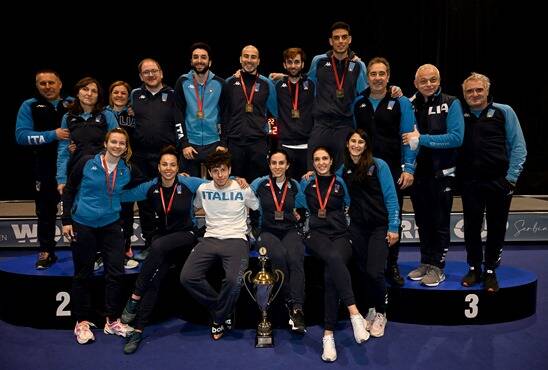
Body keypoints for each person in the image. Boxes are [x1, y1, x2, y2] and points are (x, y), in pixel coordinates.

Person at [118, 145, 206, 354]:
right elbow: (123, 196)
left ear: (178, 167)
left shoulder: (188, 183)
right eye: (164, 164)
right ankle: (138, 330)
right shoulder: (150, 187)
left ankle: (134, 298)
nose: (168, 168)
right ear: (158, 167)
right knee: (154, 281)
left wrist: (239, 180)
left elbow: (217, 183)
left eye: (172, 165)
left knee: (156, 246)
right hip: (163, 243)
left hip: (187, 236)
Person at [61, 128, 136, 345]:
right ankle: (81, 322)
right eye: (114, 142)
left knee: (116, 272)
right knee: (83, 274)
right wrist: (66, 220)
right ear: (106, 143)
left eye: (122, 143)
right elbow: (69, 190)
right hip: (83, 224)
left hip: (110, 225)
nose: (117, 146)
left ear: (125, 147)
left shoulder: (126, 170)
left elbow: (141, 188)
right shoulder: (86, 162)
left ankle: (112, 320)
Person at [458, 72, 527, 292]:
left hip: (499, 182)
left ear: (487, 91)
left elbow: (518, 147)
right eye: (470, 91)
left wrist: (511, 179)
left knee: (497, 228)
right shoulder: (459, 113)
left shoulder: (504, 111)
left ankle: (490, 270)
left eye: (479, 90)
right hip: (470, 183)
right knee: (471, 228)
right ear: (464, 94)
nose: (475, 94)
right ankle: (474, 268)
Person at [180, 150, 260, 340]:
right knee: (187, 277)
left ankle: (218, 319)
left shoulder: (242, 188)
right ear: (209, 173)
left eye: (223, 170)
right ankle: (222, 309)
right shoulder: (203, 190)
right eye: (215, 171)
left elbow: (257, 207)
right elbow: (194, 205)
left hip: (237, 238)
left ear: (229, 170)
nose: (220, 175)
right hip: (211, 237)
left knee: (234, 280)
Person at [300, 146, 369, 362]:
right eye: (317, 159)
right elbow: (300, 208)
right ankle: (355, 313)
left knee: (332, 272)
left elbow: (348, 205)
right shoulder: (305, 183)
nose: (321, 162)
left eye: (325, 159)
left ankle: (328, 336)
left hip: (340, 235)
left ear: (331, 161)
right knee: (333, 258)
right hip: (316, 235)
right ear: (313, 162)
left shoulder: (340, 182)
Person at [353, 57, 417, 286]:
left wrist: (409, 168)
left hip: (392, 171)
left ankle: (391, 264)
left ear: (388, 77)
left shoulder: (401, 102)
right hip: (363, 173)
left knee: (392, 218)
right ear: (367, 77)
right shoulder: (358, 102)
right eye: (373, 74)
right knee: (364, 218)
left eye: (382, 74)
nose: (377, 78)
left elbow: (410, 138)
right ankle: (366, 265)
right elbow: (354, 139)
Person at [402, 64, 464, 287]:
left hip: (443, 173)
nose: (428, 84)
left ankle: (439, 267)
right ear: (416, 83)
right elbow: (407, 139)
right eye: (424, 81)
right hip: (419, 175)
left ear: (439, 81)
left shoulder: (451, 102)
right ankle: (426, 262)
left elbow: (456, 138)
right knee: (423, 221)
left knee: (439, 221)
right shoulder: (409, 104)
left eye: (433, 80)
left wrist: (423, 139)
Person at [339, 129, 399, 338]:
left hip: (379, 227)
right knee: (363, 271)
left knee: (375, 271)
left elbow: (391, 197)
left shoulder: (379, 165)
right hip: (357, 228)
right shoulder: (343, 169)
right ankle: (371, 309)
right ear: (347, 144)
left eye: (360, 142)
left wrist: (393, 227)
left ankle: (382, 313)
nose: (356, 145)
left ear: (366, 145)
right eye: (353, 141)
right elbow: (328, 181)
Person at [15, 69, 70, 269]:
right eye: (42, 83)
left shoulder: (73, 103)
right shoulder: (29, 105)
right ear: (37, 86)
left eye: (51, 82)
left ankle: (85, 249)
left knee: (80, 209)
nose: (47, 87)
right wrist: (51, 135)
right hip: (44, 167)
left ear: (60, 83)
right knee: (45, 211)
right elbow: (21, 136)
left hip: (73, 166)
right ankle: (46, 250)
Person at [131, 58, 184, 260]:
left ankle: (170, 243)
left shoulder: (173, 95)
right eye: (146, 72)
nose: (151, 75)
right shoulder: (134, 95)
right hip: (140, 158)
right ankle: (149, 243)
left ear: (161, 73)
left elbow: (180, 124)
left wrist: (180, 149)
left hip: (166, 158)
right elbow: (122, 120)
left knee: (169, 201)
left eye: (154, 71)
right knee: (145, 201)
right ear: (140, 76)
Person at [250, 149, 307, 334]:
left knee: (296, 258)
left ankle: (298, 308)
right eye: (274, 163)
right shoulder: (259, 183)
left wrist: (299, 215)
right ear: (269, 164)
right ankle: (289, 302)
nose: (277, 167)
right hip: (267, 232)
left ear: (287, 165)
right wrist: (238, 179)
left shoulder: (295, 185)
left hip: (290, 231)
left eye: (281, 163)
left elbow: (302, 207)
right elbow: (242, 194)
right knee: (279, 256)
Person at [305, 21, 368, 169]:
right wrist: (283, 77)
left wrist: (392, 90)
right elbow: (306, 84)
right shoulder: (318, 61)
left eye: (344, 37)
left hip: (344, 125)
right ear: (330, 41)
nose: (340, 41)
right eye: (336, 37)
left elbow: (367, 92)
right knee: (312, 170)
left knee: (343, 171)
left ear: (350, 39)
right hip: (321, 124)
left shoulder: (358, 65)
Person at [221, 45, 277, 181]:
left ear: (258, 61)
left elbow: (274, 115)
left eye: (253, 57)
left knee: (258, 186)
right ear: (240, 59)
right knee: (234, 186)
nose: (249, 60)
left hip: (258, 144)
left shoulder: (267, 84)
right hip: (234, 144)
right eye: (246, 56)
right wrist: (223, 142)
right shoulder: (229, 82)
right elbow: (224, 114)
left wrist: (272, 145)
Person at [56, 77, 118, 193]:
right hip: (76, 173)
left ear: (98, 96)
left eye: (94, 91)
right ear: (77, 93)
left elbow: (118, 146)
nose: (89, 94)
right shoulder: (67, 117)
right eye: (85, 89)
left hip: (102, 174)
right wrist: (62, 180)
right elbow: (63, 151)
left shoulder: (107, 115)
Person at [174, 42, 227, 177]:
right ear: (191, 61)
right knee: (188, 188)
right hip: (190, 143)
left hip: (214, 143)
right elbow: (178, 114)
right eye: (196, 57)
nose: (199, 61)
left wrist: (223, 143)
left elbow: (225, 115)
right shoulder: (182, 82)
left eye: (203, 57)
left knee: (216, 188)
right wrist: (184, 143)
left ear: (210, 61)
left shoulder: (220, 83)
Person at [106, 80, 139, 269]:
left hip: (128, 168)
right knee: (109, 209)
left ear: (128, 96)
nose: (119, 95)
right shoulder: (103, 114)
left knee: (126, 209)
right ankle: (105, 250)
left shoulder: (133, 113)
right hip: (107, 169)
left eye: (123, 93)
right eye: (115, 92)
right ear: (110, 94)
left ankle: (126, 247)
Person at [273, 48, 315, 179]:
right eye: (289, 62)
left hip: (307, 146)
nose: (293, 66)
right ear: (284, 65)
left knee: (306, 187)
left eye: (297, 62)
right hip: (285, 146)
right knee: (287, 188)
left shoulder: (312, 84)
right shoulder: (277, 86)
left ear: (302, 64)